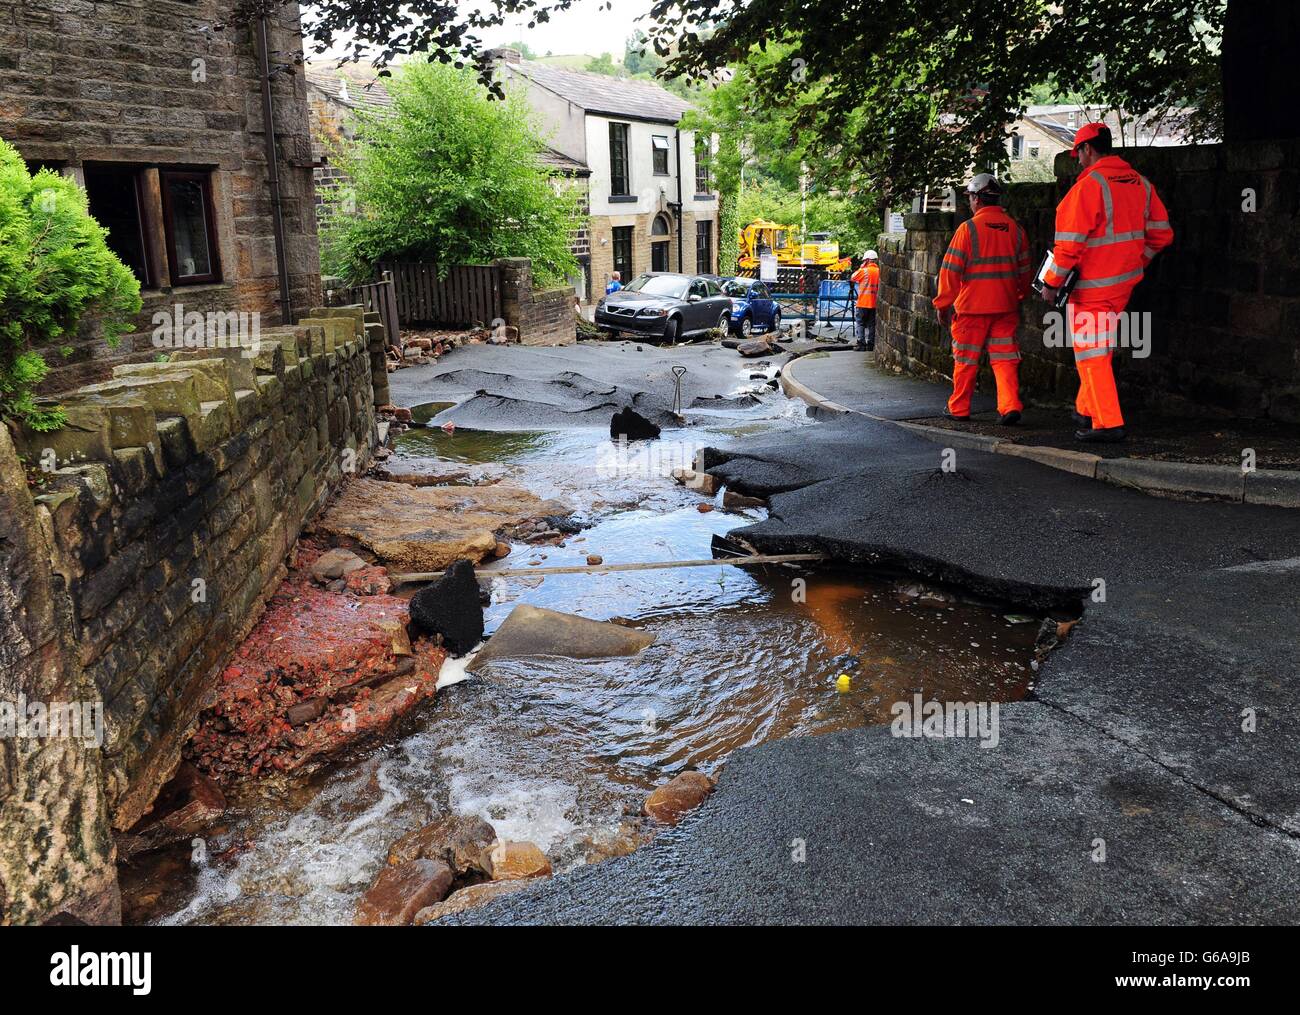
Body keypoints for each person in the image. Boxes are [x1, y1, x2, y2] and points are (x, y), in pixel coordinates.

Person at [1040, 123, 1174, 442]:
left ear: (1087, 150)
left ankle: (1108, 423)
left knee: (1092, 354)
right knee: (1099, 350)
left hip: (1092, 288)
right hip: (1123, 285)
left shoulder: (1088, 187)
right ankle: (1086, 409)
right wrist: (1136, 262)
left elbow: (1069, 245)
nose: (1079, 161)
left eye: (1079, 154)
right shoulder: (1140, 183)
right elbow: (1161, 234)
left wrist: (1051, 283)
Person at [932, 173, 1032, 424]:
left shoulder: (968, 229)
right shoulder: (1016, 230)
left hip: (972, 308)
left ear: (977, 198)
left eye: (971, 197)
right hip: (1005, 307)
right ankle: (1009, 406)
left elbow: (950, 271)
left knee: (965, 360)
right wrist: (1019, 296)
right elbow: (1024, 272)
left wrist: (942, 304)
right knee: (1005, 359)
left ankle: (959, 409)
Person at [850, 250, 880, 351]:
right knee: (872, 324)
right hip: (874, 303)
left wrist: (861, 267)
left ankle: (861, 344)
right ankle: (871, 344)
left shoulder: (864, 271)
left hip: (863, 302)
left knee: (860, 323)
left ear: (866, 260)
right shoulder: (879, 271)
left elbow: (853, 277)